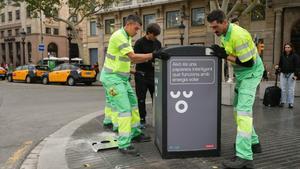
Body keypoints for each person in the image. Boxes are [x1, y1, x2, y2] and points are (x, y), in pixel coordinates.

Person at [100, 14, 169, 155]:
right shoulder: (119, 36)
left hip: (122, 79)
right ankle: (124, 144)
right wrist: (153, 55)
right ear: (129, 24)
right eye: (136, 28)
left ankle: (135, 133)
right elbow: (133, 57)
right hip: (112, 80)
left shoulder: (127, 37)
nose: (137, 31)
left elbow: (130, 61)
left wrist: (134, 71)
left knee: (133, 104)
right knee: (124, 109)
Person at [208, 10, 264, 169]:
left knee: (243, 113)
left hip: (250, 74)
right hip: (242, 75)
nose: (214, 30)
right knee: (237, 110)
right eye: (212, 28)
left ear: (224, 22)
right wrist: (223, 53)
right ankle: (253, 143)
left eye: (215, 27)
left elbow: (249, 63)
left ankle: (245, 157)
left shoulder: (238, 35)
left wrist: (224, 55)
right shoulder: (225, 34)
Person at [134, 23, 162, 128]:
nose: (155, 38)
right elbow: (136, 58)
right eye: (154, 35)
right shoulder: (139, 43)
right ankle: (142, 119)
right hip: (141, 75)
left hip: (153, 75)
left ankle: (157, 118)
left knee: (156, 97)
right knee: (141, 98)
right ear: (149, 33)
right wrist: (150, 60)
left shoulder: (158, 43)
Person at [275, 42, 299, 108]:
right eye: (286, 47)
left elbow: (297, 66)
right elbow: (280, 65)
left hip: (291, 74)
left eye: (288, 47)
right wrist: (277, 67)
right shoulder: (282, 56)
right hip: (283, 74)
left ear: (291, 48)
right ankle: (282, 102)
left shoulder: (295, 56)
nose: (287, 48)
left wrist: (296, 75)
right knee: (283, 89)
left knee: (291, 89)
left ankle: (290, 103)